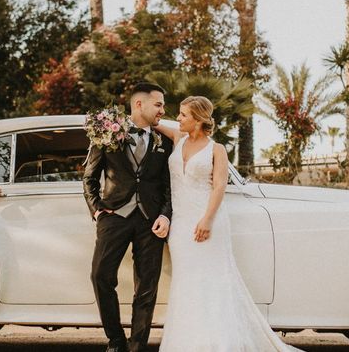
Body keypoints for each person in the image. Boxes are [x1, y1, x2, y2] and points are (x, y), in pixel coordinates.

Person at [154, 96, 300, 352]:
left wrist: (207, 220)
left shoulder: (216, 149)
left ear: (198, 120)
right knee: (186, 284)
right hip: (180, 226)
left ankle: (217, 343)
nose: (178, 118)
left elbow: (219, 186)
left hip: (208, 223)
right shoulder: (178, 139)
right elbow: (151, 122)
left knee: (214, 282)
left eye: (183, 115)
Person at [83, 82, 173, 352]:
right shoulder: (106, 133)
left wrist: (165, 215)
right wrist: (97, 210)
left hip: (150, 220)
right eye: (158, 104)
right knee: (100, 276)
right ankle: (115, 341)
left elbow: (170, 185)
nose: (162, 110)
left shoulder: (165, 141)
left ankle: (137, 346)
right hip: (114, 216)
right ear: (139, 104)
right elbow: (89, 176)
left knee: (146, 286)